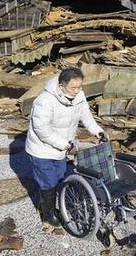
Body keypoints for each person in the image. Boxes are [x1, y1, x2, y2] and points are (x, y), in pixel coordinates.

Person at [25, 67, 108, 230]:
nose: (77, 91)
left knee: (59, 175)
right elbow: (42, 129)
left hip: (62, 147)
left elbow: (86, 116)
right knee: (48, 181)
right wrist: (65, 144)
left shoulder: (79, 96)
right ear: (61, 86)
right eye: (73, 88)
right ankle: (47, 213)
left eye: (80, 87)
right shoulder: (45, 101)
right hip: (41, 149)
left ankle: (54, 199)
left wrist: (97, 131)